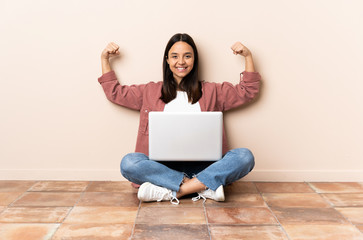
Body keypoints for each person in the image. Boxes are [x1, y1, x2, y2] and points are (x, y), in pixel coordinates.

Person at [98, 33, 261, 205]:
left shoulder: (213, 91)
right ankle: (203, 187)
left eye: (187, 56)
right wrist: (104, 59)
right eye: (175, 56)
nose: (181, 62)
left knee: (244, 156)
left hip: (205, 167)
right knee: (128, 163)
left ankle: (172, 191)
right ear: (167, 60)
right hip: (162, 168)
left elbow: (247, 91)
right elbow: (115, 93)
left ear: (194, 60)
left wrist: (248, 56)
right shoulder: (150, 91)